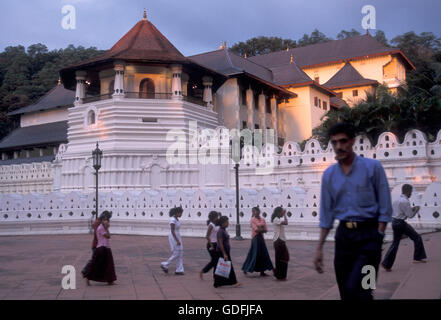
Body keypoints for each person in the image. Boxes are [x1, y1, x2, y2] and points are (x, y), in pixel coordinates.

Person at [314, 122, 392, 300]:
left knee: (365, 289)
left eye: (343, 141)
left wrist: (378, 238)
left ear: (352, 141)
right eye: (334, 143)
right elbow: (326, 215)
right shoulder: (329, 175)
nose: (339, 146)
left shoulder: (373, 168)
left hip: (370, 237)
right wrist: (319, 248)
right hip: (343, 239)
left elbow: (385, 207)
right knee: (345, 291)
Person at [381, 184, 427, 271]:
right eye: (411, 192)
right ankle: (417, 257)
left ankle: (386, 264)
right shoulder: (405, 201)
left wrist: (411, 208)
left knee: (395, 244)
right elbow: (410, 215)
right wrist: (416, 209)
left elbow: (402, 212)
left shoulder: (396, 200)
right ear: (408, 191)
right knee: (417, 237)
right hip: (401, 223)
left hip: (395, 222)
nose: (411, 194)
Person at [83, 217, 117, 285]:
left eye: (107, 220)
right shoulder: (101, 228)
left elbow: (108, 236)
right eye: (104, 220)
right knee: (97, 265)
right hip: (101, 248)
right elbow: (108, 236)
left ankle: (110, 280)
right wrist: (107, 228)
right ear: (101, 221)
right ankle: (87, 277)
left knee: (109, 265)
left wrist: (107, 228)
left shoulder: (103, 227)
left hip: (106, 248)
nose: (106, 221)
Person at [242, 207, 273, 276]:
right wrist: (261, 228)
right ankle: (246, 268)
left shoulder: (263, 219)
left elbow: (266, 230)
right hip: (255, 238)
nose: (256, 212)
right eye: (254, 211)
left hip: (261, 237)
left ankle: (262, 271)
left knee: (263, 253)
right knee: (254, 253)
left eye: (257, 211)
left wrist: (260, 228)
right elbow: (256, 230)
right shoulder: (252, 220)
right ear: (253, 212)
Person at [81, 210, 112, 278]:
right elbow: (104, 235)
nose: (108, 220)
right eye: (107, 218)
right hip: (98, 245)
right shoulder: (98, 223)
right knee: (94, 261)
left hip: (100, 245)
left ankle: (86, 272)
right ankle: (86, 273)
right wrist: (106, 228)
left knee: (97, 261)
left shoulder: (99, 222)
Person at [214, 216, 241, 288]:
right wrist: (224, 253)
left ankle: (217, 283)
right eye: (226, 222)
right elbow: (220, 243)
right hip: (222, 251)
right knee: (227, 267)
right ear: (222, 223)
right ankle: (234, 282)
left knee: (222, 267)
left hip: (225, 251)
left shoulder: (223, 230)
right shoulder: (220, 231)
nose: (228, 223)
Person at [161, 207, 184, 275]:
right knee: (176, 252)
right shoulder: (172, 220)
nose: (181, 214)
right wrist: (177, 240)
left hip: (178, 235)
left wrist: (178, 239)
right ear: (177, 212)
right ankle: (165, 264)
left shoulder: (177, 219)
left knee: (180, 253)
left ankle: (179, 270)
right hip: (174, 237)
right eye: (180, 213)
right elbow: (172, 231)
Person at [199, 211, 220, 280]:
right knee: (215, 260)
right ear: (214, 217)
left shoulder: (215, 224)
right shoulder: (211, 225)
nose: (218, 218)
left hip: (216, 244)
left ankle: (205, 271)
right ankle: (213, 275)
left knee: (215, 260)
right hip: (211, 244)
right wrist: (211, 245)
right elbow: (207, 236)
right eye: (217, 216)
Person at [271, 206, 289, 280]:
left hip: (280, 241)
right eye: (281, 211)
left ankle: (280, 274)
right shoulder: (276, 219)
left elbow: (285, 223)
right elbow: (286, 222)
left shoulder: (277, 219)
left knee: (283, 258)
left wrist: (284, 214)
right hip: (278, 241)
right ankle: (279, 274)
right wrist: (285, 214)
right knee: (281, 258)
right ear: (278, 212)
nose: (282, 213)